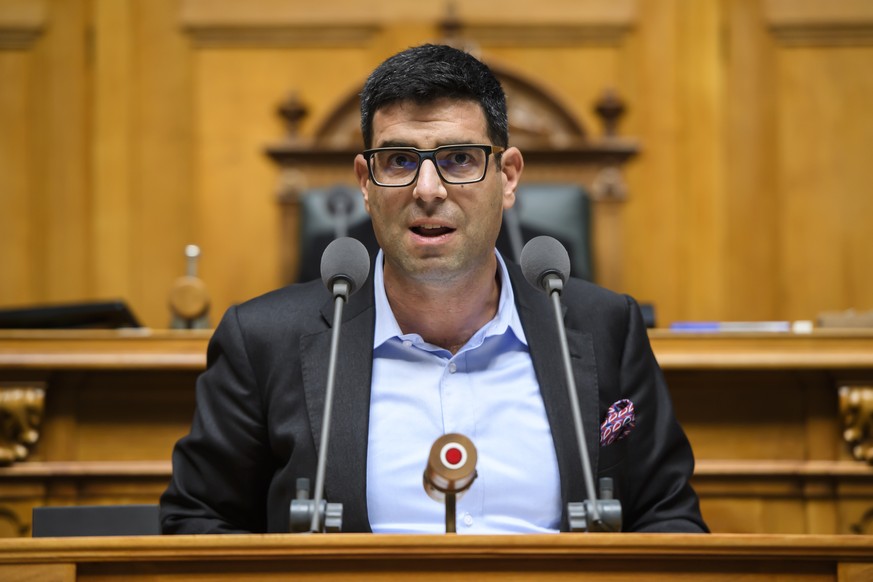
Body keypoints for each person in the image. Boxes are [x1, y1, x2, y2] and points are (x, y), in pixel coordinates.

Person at [161, 44, 707, 534]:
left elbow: (666, 517)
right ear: (365, 184)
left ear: (508, 176)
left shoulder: (605, 327)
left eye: (459, 159)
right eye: (399, 161)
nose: (428, 190)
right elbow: (198, 521)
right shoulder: (263, 340)